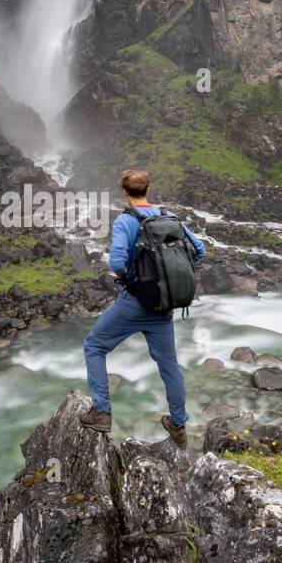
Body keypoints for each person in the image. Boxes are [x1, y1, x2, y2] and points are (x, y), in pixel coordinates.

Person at [80, 168, 205, 447]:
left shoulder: (126, 220)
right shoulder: (169, 217)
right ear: (147, 189)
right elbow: (200, 250)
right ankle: (179, 423)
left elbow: (116, 263)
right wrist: (170, 276)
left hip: (134, 303)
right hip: (163, 306)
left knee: (94, 346)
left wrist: (133, 280)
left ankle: (101, 412)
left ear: (125, 192)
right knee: (168, 364)